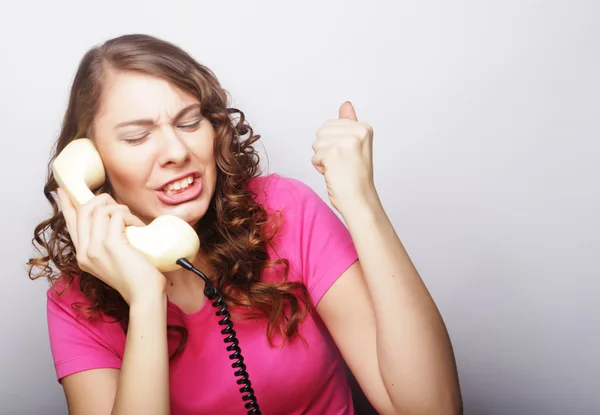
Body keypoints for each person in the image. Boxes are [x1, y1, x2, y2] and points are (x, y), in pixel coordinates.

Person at [27, 34, 462, 415]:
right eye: (138, 136)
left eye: (189, 121)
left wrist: (361, 203)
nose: (176, 151)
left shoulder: (284, 211)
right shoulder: (74, 305)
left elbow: (432, 407)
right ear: (90, 165)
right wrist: (145, 299)